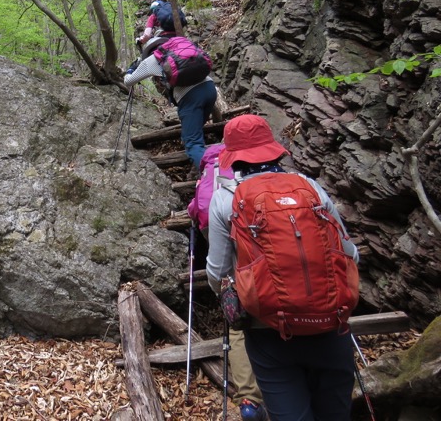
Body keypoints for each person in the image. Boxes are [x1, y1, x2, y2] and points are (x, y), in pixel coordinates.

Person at [206, 115, 360, 421]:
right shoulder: (309, 187)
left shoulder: (225, 199)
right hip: (331, 323)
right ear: (274, 151)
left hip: (269, 331)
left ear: (233, 158)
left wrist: (237, 299)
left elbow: (218, 272)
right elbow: (349, 253)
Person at [187, 144, 268, 420]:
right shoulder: (297, 182)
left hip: (218, 225)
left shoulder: (209, 174)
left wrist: (224, 292)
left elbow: (196, 206)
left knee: (239, 320)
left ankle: (250, 398)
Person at [123, 44, 217, 168]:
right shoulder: (176, 49)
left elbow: (128, 81)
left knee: (193, 143)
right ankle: (198, 166)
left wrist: (130, 70)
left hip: (191, 97)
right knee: (194, 130)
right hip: (210, 88)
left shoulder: (151, 61)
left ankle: (212, 176)